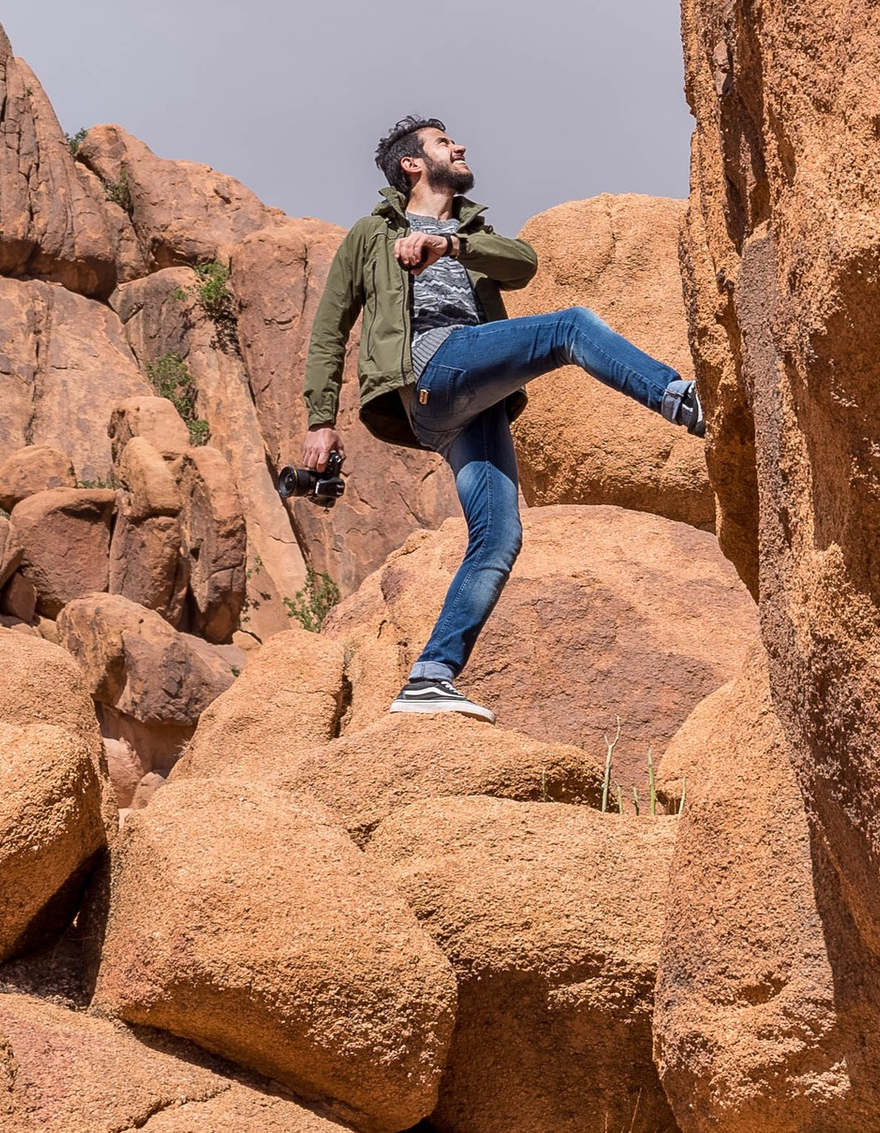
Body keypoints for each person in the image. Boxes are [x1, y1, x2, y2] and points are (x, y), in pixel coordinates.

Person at [299, 110, 705, 720]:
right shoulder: (371, 234)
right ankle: (682, 400)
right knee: (569, 327)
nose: (459, 145)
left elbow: (524, 264)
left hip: (470, 400)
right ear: (413, 164)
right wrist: (319, 421)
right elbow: (330, 330)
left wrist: (451, 245)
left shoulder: (472, 231)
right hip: (429, 373)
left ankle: (429, 677)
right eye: (443, 142)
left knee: (500, 536)